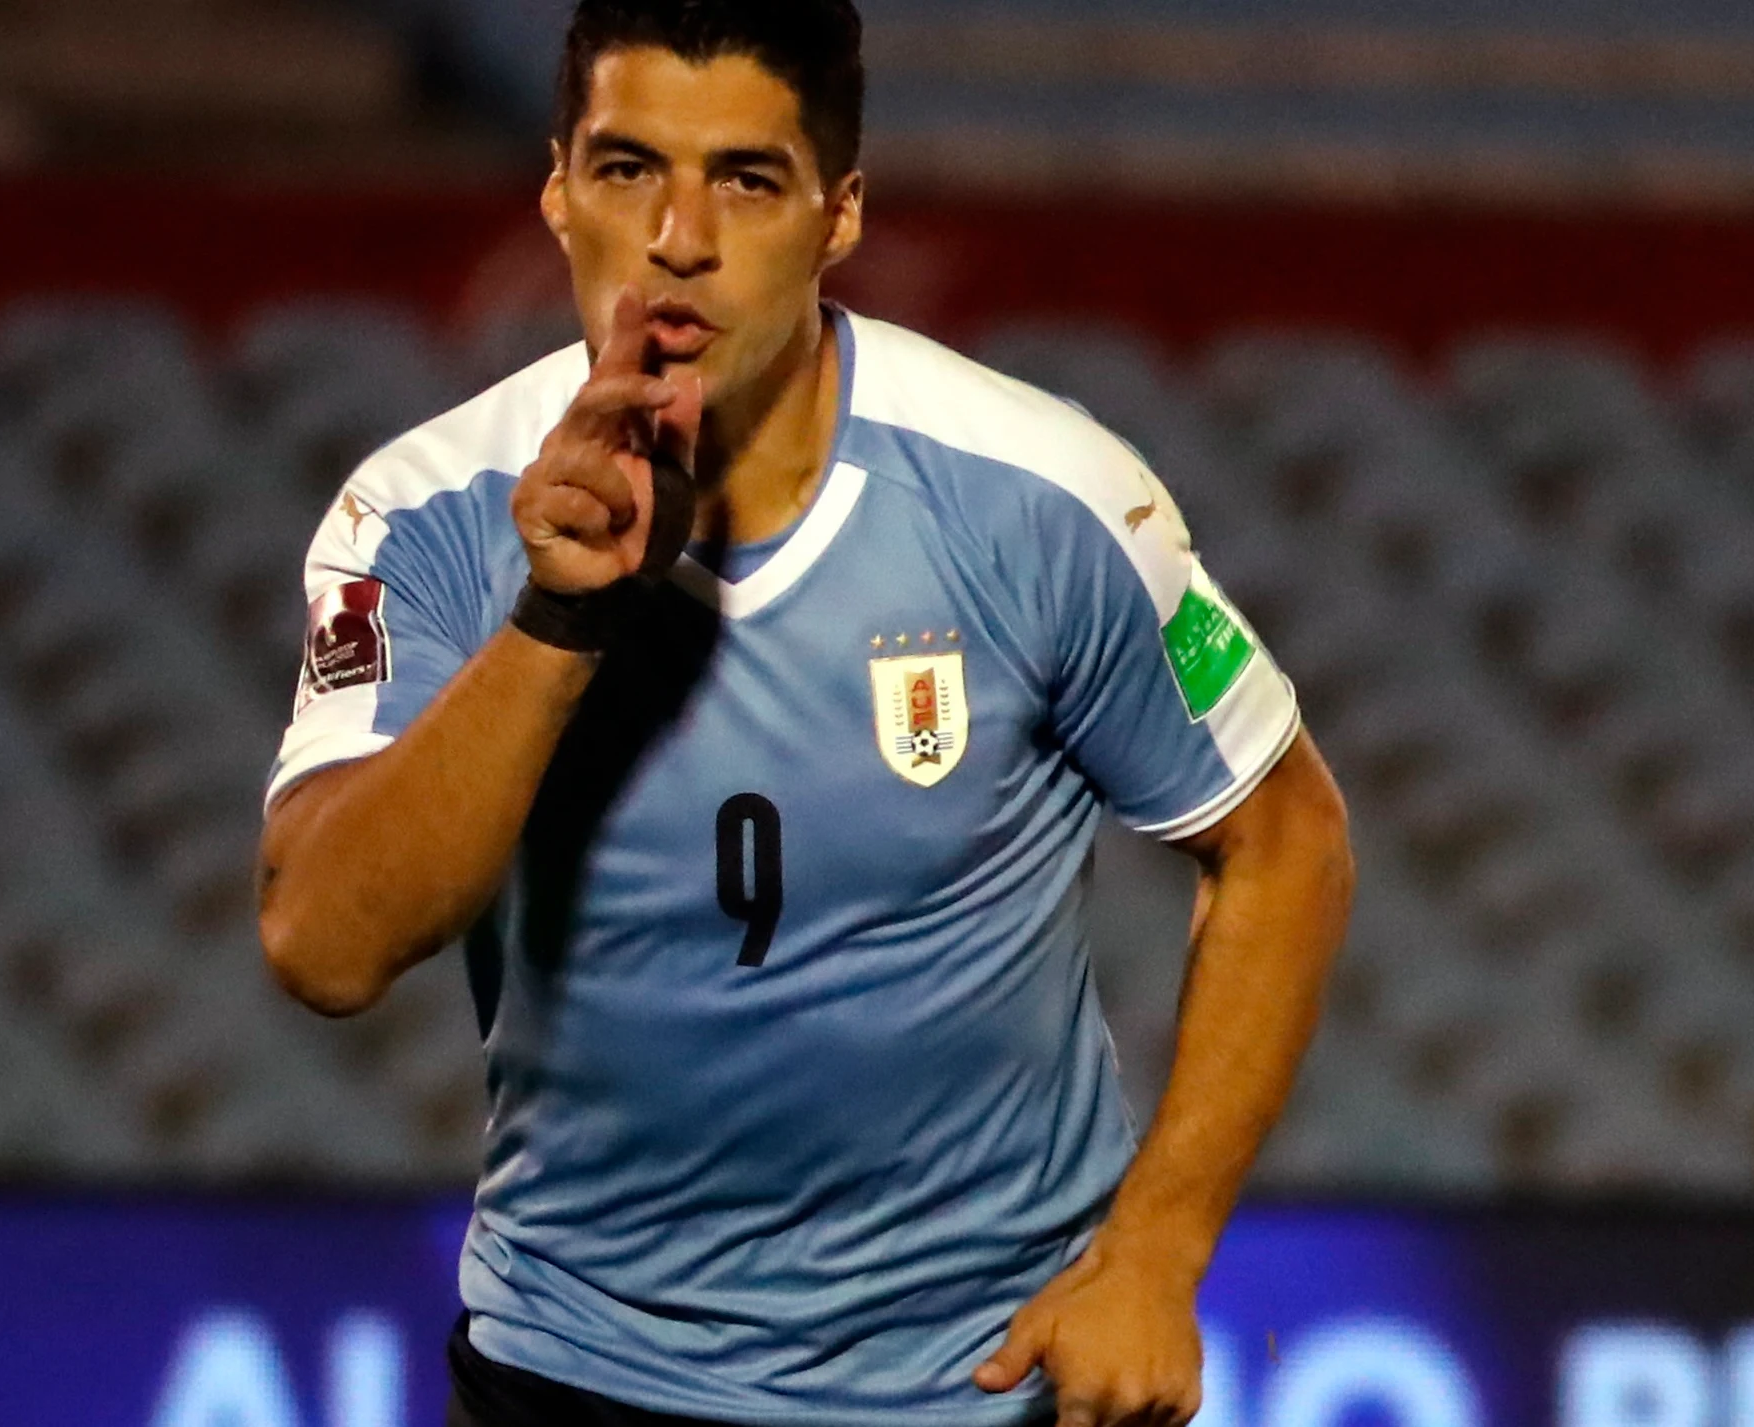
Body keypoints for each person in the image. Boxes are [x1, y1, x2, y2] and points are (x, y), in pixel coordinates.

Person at [255, 2, 1355, 1423]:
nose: (679, 237)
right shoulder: (425, 513)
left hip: (980, 1384)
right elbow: (323, 945)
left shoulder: (1046, 498)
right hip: (577, 1378)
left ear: (840, 214)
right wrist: (560, 615)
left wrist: (1156, 1255)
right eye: (628, 168)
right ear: (555, 188)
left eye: (748, 180)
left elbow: (1288, 840)